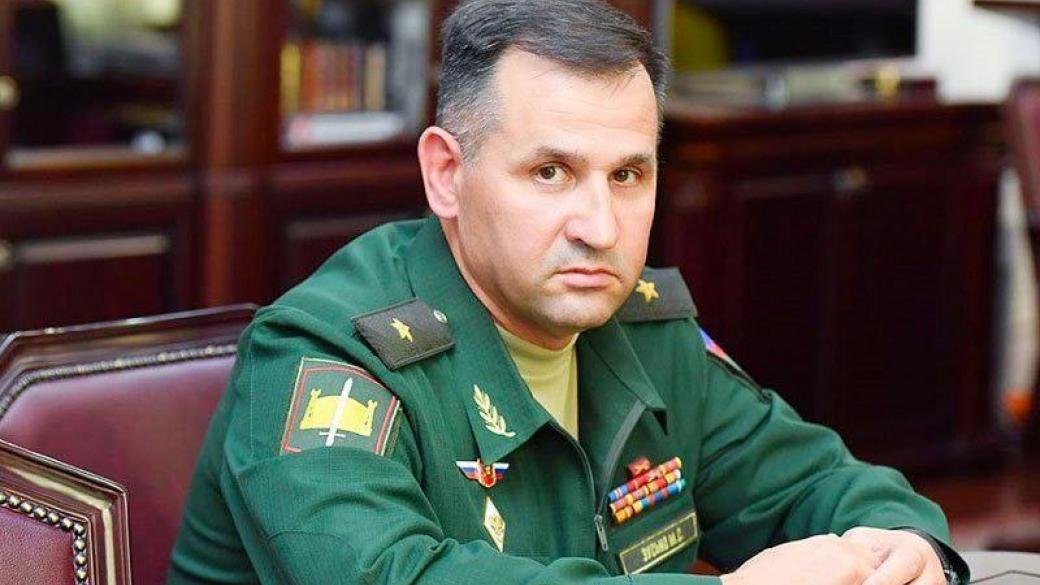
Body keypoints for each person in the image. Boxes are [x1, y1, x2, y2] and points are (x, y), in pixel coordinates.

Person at [167, 1, 967, 583]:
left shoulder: (644, 326)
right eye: (551, 172)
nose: (599, 225)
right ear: (446, 174)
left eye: (628, 175)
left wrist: (903, 547)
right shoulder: (327, 356)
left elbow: (816, 482)